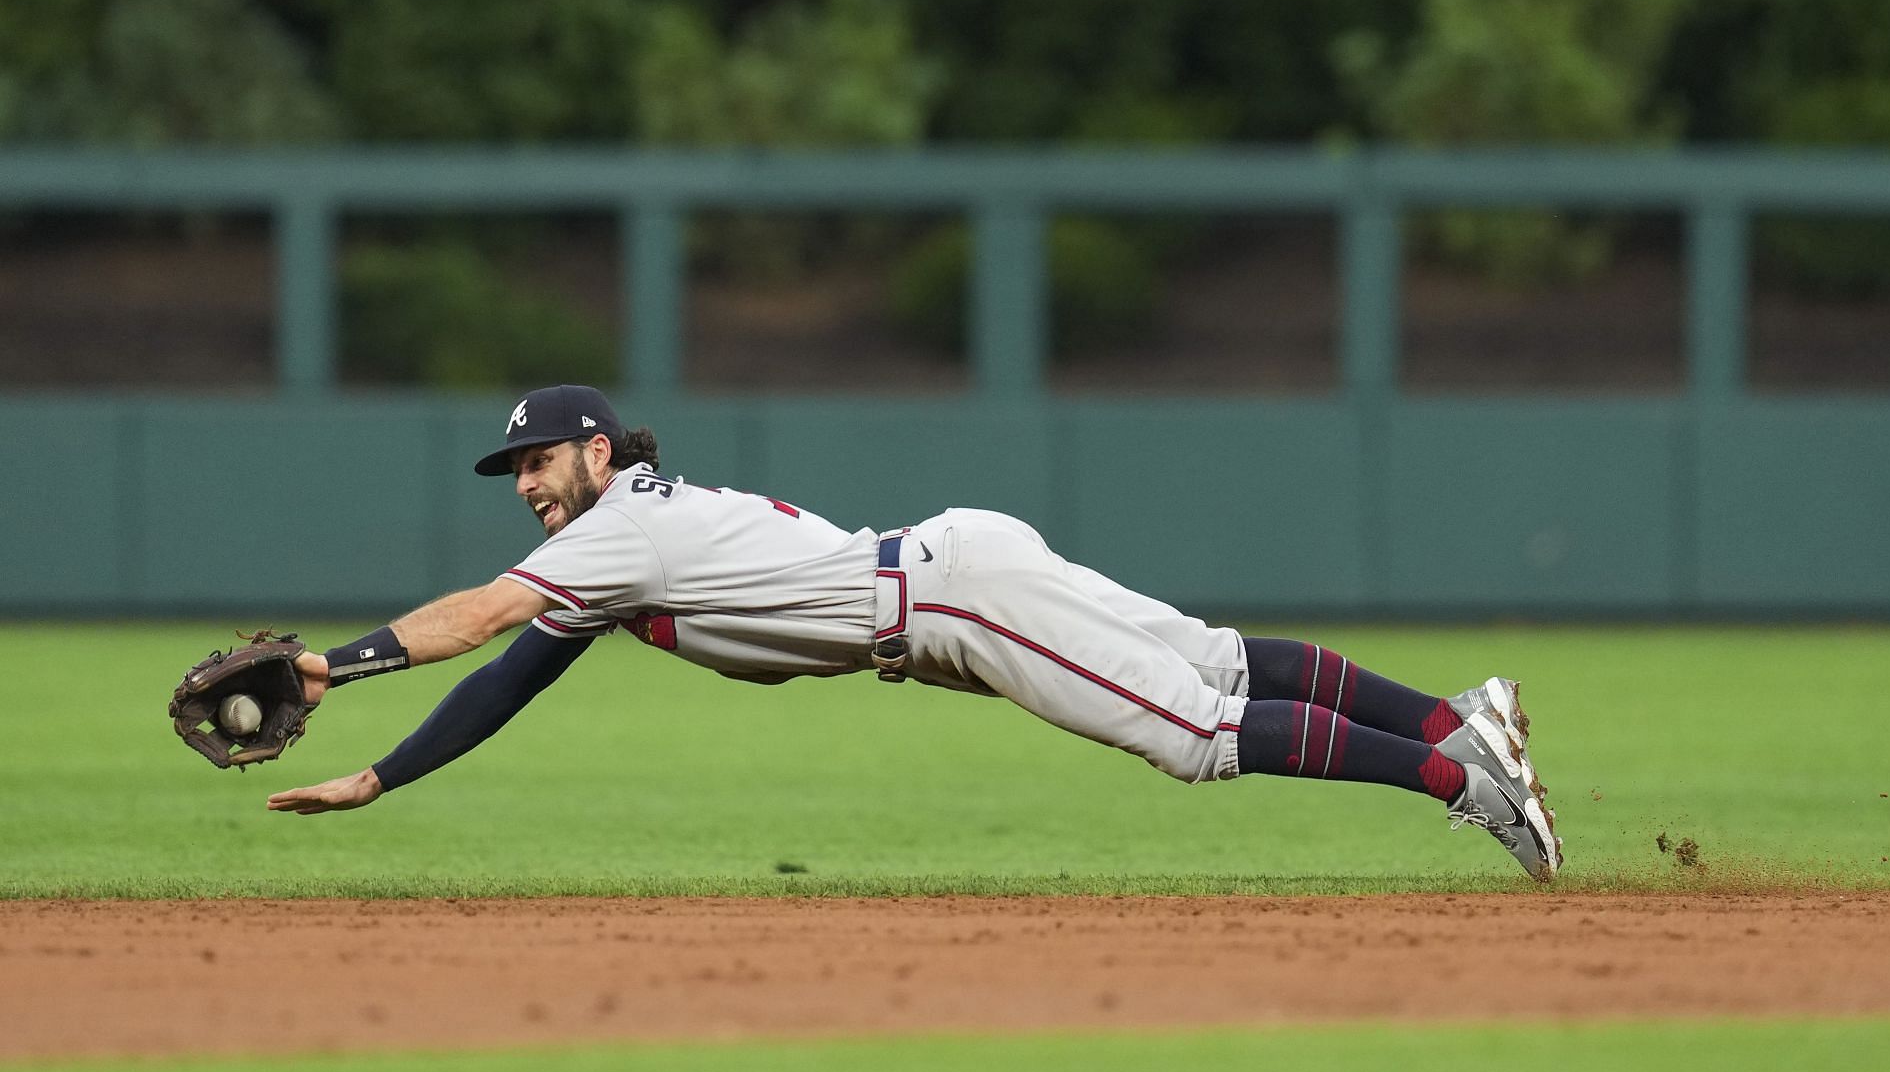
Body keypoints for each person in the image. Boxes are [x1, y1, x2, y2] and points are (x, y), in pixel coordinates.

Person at [269, 385, 1563, 880]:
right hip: (949, 576)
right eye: (515, 471)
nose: (529, 483)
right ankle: (1458, 719)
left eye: (539, 459)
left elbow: (484, 614)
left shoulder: (614, 531)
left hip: (951, 601)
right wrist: (380, 776)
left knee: (1199, 729)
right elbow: (513, 673)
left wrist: (333, 665)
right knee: (1214, 663)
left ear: (598, 449)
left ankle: (1461, 776)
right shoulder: (613, 554)